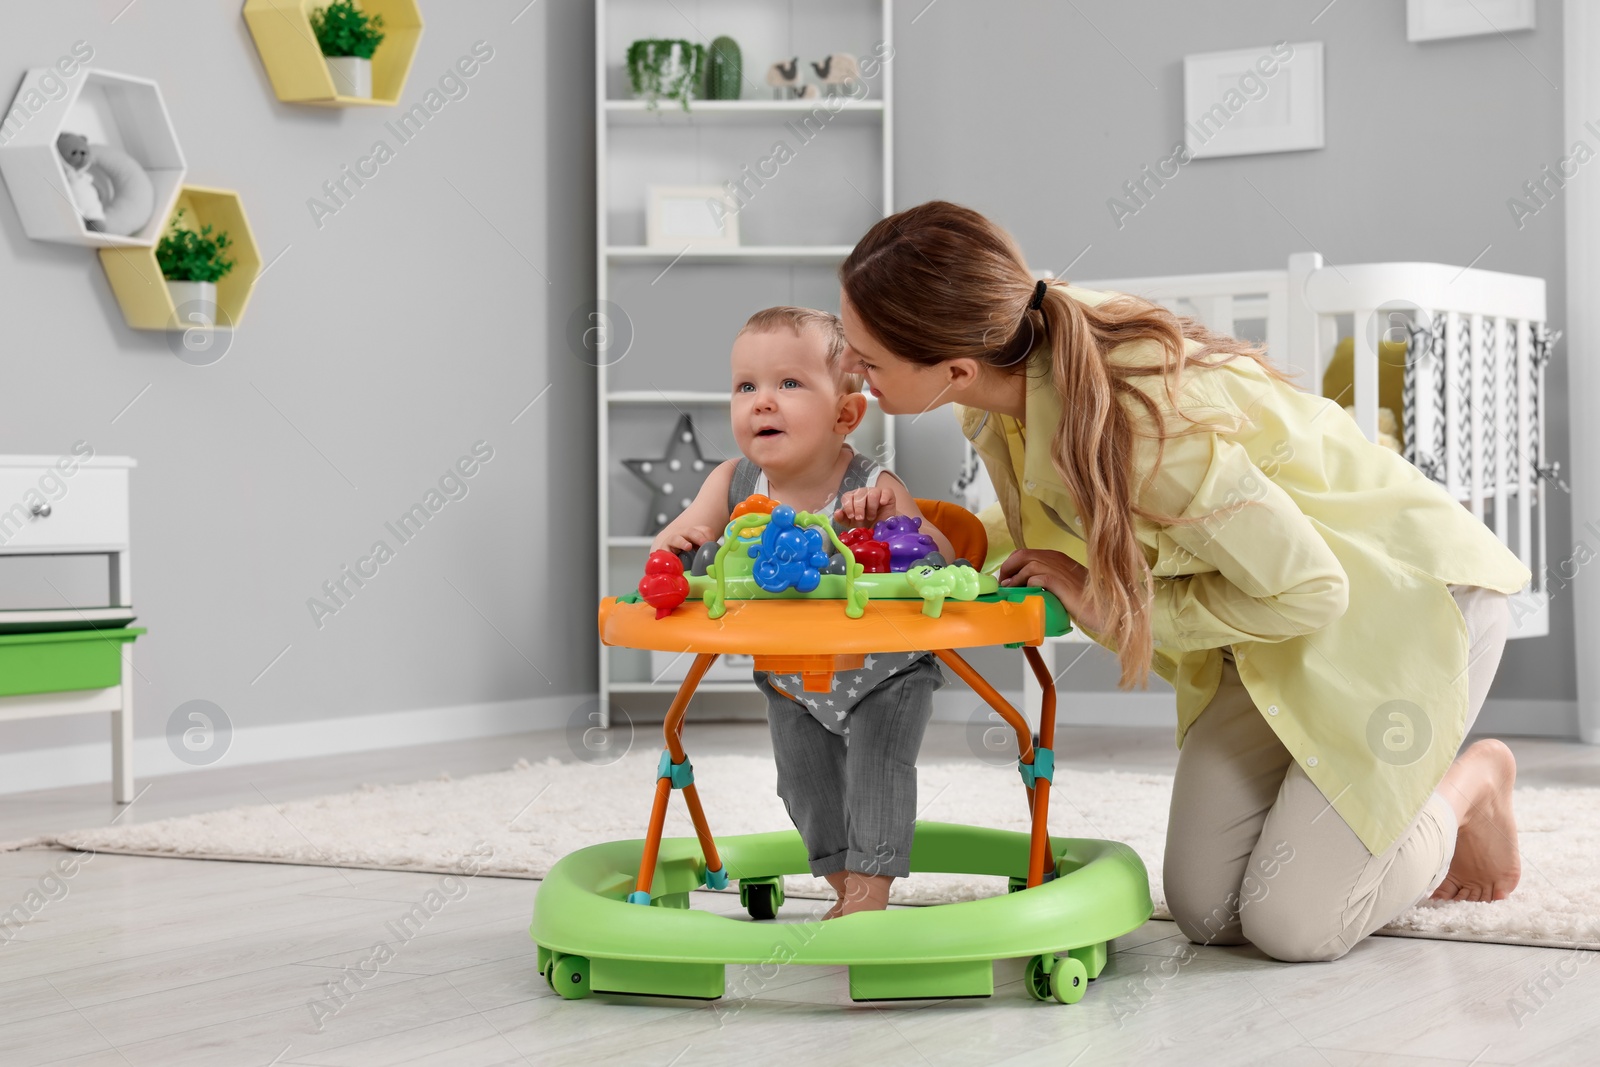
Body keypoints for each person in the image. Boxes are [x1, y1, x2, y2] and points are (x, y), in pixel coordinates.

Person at [835, 200, 1530, 961]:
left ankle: (1470, 785)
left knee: (1296, 925)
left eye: (867, 362)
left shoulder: (1145, 433)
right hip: (1259, 624)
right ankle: (1346, 810)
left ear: (955, 369)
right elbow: (1042, 521)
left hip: (1395, 611)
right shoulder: (1008, 379)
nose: (852, 376)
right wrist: (935, 536)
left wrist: (1112, 602)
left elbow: (1312, 590)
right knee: (1208, 908)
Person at [651, 305, 955, 918]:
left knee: (878, 771)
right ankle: (843, 886)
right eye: (746, 386)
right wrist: (676, 555)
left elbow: (939, 558)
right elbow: (677, 542)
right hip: (789, 675)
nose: (762, 401)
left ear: (846, 414)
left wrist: (889, 523)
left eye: (788, 383)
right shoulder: (732, 482)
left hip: (885, 673)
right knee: (806, 785)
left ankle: (870, 896)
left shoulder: (872, 484)